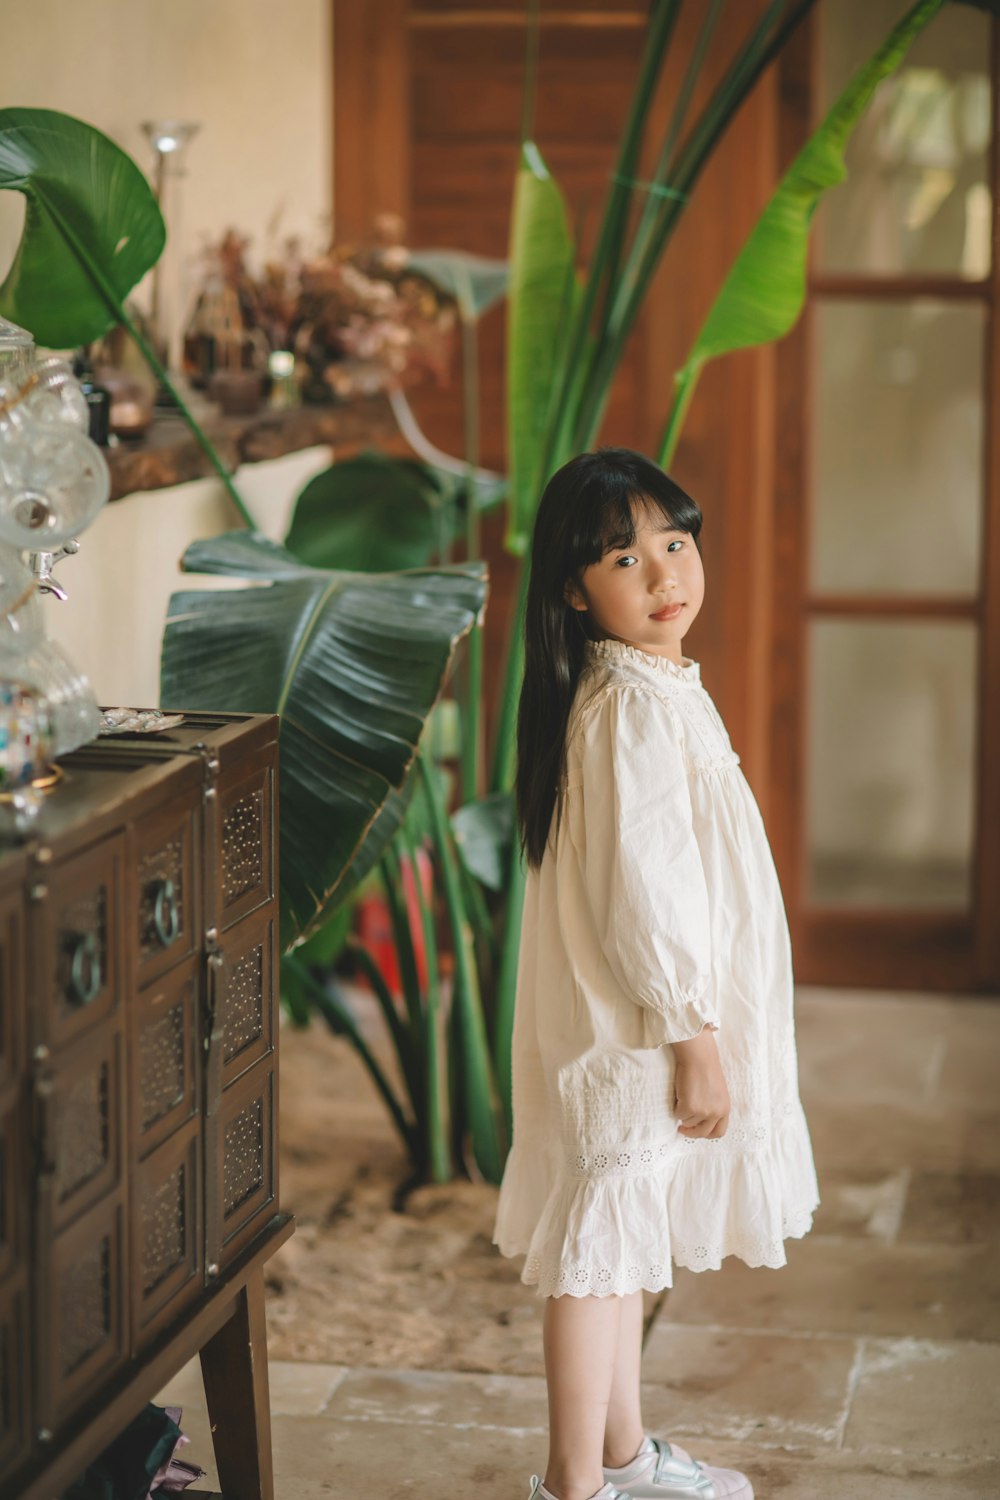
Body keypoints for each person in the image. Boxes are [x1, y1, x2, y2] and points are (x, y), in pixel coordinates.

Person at [493, 449, 820, 1500]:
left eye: (674, 543)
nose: (664, 574)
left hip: (645, 1019)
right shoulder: (629, 704)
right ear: (574, 593)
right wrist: (695, 1031)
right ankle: (571, 1485)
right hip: (636, 1026)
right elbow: (647, 889)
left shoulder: (650, 684)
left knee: (623, 1241)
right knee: (599, 1253)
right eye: (625, 558)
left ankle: (622, 1458)